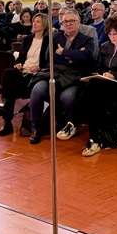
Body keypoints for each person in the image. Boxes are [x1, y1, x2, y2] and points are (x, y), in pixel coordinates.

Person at [27, 9, 95, 144]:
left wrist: (63, 52)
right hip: (55, 73)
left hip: (75, 77)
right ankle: (36, 128)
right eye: (65, 21)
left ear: (78, 22)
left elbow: (87, 56)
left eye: (71, 21)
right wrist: (73, 55)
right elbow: (49, 57)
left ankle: (72, 124)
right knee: (37, 90)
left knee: (67, 97)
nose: (68, 24)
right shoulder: (55, 38)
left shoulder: (87, 39)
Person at [80, 14, 117, 157]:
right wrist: (102, 74)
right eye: (110, 34)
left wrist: (115, 76)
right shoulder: (104, 47)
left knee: (92, 92)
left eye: (116, 34)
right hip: (105, 83)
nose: (113, 37)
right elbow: (100, 67)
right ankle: (94, 138)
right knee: (94, 89)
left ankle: (80, 125)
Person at [0, 12, 49, 136]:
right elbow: (21, 57)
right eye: (34, 21)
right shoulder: (28, 39)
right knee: (9, 73)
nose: (34, 23)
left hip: (37, 74)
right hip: (24, 71)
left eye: (38, 22)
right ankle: (7, 120)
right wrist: (18, 64)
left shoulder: (49, 40)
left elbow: (50, 61)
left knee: (11, 86)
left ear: (44, 25)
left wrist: (40, 67)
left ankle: (7, 115)